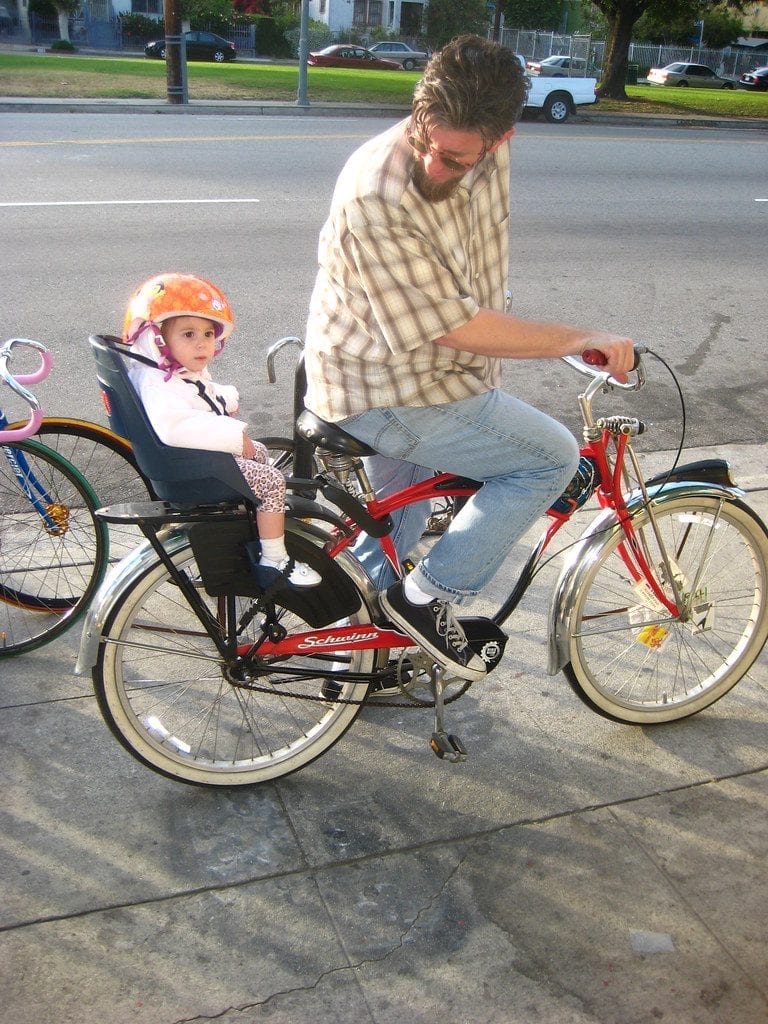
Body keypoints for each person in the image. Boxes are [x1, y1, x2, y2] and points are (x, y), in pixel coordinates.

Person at [303, 35, 635, 679]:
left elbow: (473, 271)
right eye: (425, 142)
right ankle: (428, 601)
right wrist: (573, 337)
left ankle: (362, 654)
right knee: (550, 458)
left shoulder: (486, 149)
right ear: (417, 111)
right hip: (393, 386)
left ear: (502, 138)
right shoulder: (378, 191)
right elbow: (454, 327)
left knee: (396, 525)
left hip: (405, 371)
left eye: (456, 158)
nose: (434, 166)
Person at [123, 272, 321, 588]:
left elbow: (201, 392)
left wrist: (226, 399)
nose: (202, 342)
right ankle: (274, 558)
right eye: (188, 334)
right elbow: (176, 426)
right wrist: (233, 438)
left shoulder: (170, 373)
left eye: (207, 333)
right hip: (195, 470)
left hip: (194, 461)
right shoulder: (158, 385)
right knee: (270, 481)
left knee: (260, 452)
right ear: (157, 339)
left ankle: (266, 515)